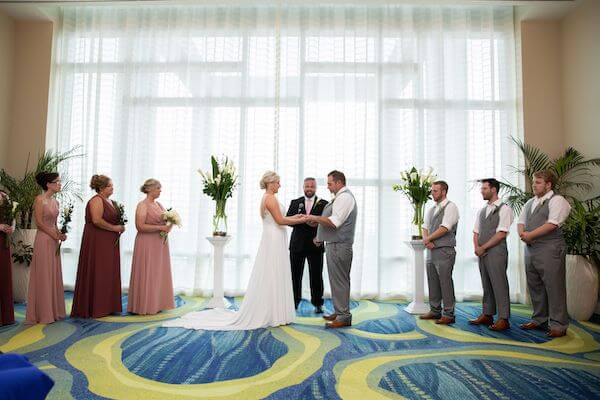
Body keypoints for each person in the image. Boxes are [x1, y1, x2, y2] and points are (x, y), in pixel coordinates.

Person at [163, 171, 306, 330]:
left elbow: (280, 219)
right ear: (271, 183)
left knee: (272, 272)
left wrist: (297, 218)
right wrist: (300, 219)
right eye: (278, 182)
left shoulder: (268, 197)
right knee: (272, 272)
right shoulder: (270, 198)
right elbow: (280, 220)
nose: (280, 185)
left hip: (274, 236)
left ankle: (274, 311)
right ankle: (272, 312)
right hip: (273, 238)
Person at [518, 170, 571, 337]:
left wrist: (530, 235)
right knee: (535, 285)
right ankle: (539, 320)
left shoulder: (557, 201)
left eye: (538, 182)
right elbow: (521, 221)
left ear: (548, 185)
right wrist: (523, 235)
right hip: (531, 249)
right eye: (534, 182)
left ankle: (558, 325)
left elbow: (553, 223)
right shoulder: (529, 203)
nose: (534, 185)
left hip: (550, 248)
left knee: (554, 287)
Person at [71, 175, 125, 318]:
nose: (113, 188)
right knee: (99, 270)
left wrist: (120, 227)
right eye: (110, 186)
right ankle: (96, 307)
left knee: (108, 271)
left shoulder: (112, 202)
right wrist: (114, 228)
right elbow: (96, 220)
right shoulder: (96, 200)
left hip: (110, 241)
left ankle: (108, 306)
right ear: (101, 188)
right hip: (97, 240)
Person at [309, 170, 357, 329]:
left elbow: (335, 222)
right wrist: (320, 237)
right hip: (335, 244)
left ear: (339, 182)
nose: (328, 187)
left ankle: (343, 316)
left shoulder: (344, 197)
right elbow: (332, 223)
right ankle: (340, 312)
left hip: (340, 246)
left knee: (340, 281)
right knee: (337, 281)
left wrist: (314, 218)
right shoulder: (340, 197)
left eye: (330, 183)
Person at [469, 178, 514, 331]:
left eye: (484, 188)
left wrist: (484, 247)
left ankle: (503, 318)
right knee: (486, 283)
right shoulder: (482, 210)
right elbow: (476, 232)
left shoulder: (504, 209)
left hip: (496, 252)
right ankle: (487, 314)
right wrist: (477, 247)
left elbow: (501, 233)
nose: (482, 191)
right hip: (482, 252)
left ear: (493, 189)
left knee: (499, 284)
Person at [127, 179, 175, 315]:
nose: (160, 190)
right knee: (147, 271)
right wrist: (161, 227)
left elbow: (166, 220)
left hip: (159, 244)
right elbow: (140, 226)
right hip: (146, 243)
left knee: (157, 272)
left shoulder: (159, 204)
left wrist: (170, 224)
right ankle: (144, 305)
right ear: (149, 189)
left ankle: (157, 303)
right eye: (158, 188)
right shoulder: (142, 205)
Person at [25, 172, 67, 324]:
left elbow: (54, 224)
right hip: (43, 240)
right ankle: (42, 313)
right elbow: (39, 223)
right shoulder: (39, 200)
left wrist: (60, 234)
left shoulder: (55, 202)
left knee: (52, 273)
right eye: (57, 182)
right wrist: (53, 234)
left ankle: (53, 311)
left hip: (53, 240)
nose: (59, 184)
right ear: (48, 184)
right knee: (43, 274)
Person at [419, 180, 460, 325]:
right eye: (432, 190)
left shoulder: (451, 207)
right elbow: (424, 226)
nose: (432, 193)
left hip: (444, 250)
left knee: (445, 281)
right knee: (433, 281)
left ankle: (449, 313)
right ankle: (435, 310)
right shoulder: (431, 209)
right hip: (431, 250)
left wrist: (428, 239)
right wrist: (426, 240)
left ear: (444, 192)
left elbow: (445, 228)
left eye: (435, 191)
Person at [286, 177, 328, 313]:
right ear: (303, 187)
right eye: (307, 186)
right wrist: (301, 220)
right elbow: (287, 220)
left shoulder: (324, 204)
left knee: (316, 275)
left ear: (316, 188)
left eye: (312, 186)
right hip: (297, 245)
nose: (309, 188)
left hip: (316, 244)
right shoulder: (295, 202)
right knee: (295, 275)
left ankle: (318, 303)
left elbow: (327, 224)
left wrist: (319, 232)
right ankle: (294, 302)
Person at [0, 190, 15, 326]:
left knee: (4, 276)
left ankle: (6, 317)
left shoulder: (5, 195)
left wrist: (12, 227)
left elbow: (12, 217)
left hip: (3, 241)